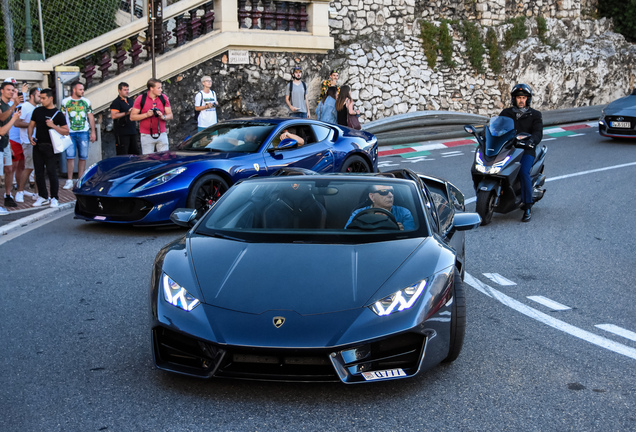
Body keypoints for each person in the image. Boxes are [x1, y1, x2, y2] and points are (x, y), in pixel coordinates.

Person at [499, 83, 543, 222]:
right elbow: (497, 127)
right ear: (514, 99)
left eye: (524, 97)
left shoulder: (535, 115)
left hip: (526, 150)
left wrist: (532, 141)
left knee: (523, 172)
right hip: (508, 148)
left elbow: (538, 133)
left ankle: (527, 205)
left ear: (528, 99)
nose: (521, 100)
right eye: (519, 97)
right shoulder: (506, 113)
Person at [27, 88, 69, 208]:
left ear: (51, 98)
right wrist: (30, 136)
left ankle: (54, 197)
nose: (41, 100)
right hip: (38, 145)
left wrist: (53, 126)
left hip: (51, 147)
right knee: (39, 172)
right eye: (40, 97)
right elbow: (31, 125)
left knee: (52, 172)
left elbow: (66, 131)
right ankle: (43, 196)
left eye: (44, 98)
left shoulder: (58, 114)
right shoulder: (37, 111)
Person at [60, 81, 96, 190]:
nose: (82, 91)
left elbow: (90, 116)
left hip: (83, 131)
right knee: (70, 156)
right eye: (80, 89)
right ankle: (69, 180)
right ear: (74, 90)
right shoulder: (65, 102)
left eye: (83, 89)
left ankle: (80, 179)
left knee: (83, 157)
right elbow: (62, 117)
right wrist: (64, 131)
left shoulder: (86, 102)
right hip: (70, 132)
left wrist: (93, 131)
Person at [130, 78, 173, 154]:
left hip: (162, 133)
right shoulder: (141, 98)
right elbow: (132, 117)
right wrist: (147, 115)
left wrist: (163, 117)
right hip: (146, 135)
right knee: (148, 160)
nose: (161, 90)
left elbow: (170, 115)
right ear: (151, 88)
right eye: (159, 88)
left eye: (161, 88)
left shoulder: (163, 98)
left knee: (164, 158)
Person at [13, 87, 40, 203]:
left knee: (39, 168)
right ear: (32, 96)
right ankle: (19, 192)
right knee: (29, 167)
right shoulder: (24, 106)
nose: (41, 98)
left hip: (38, 141)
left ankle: (38, 194)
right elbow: (16, 122)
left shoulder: (38, 108)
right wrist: (32, 124)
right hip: (27, 141)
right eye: (39, 96)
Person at [345, 185, 415, 230]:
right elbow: (347, 233)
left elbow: (412, 238)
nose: (390, 195)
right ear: (372, 197)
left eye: (392, 191)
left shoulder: (404, 213)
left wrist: (401, 232)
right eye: (384, 192)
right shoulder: (358, 213)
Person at [0, 81, 23, 210]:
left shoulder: (8, 105)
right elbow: (3, 118)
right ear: (2, 91)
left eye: (13, 90)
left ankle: (8, 195)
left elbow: (6, 129)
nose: (11, 92)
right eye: (8, 90)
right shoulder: (3, 105)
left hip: (5, 142)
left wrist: (8, 143)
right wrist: (14, 105)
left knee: (9, 169)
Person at [109, 82, 139, 155]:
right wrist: (127, 113)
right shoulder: (116, 102)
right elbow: (114, 116)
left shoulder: (130, 101)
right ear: (119, 90)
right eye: (125, 90)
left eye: (128, 90)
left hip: (132, 131)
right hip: (122, 133)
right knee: (123, 153)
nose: (127, 91)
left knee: (135, 153)